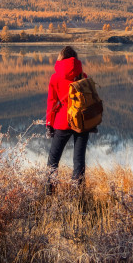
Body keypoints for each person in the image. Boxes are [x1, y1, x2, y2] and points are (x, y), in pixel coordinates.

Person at [45, 46, 91, 190]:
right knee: (79, 161)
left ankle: (49, 192)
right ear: (75, 59)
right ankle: (77, 194)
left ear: (60, 58)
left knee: (53, 159)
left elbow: (52, 102)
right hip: (81, 123)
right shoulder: (83, 76)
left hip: (62, 122)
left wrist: (49, 123)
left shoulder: (55, 77)